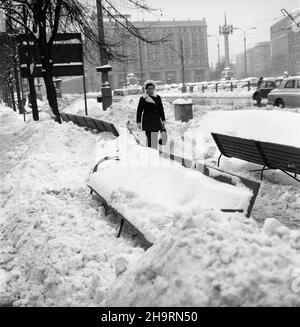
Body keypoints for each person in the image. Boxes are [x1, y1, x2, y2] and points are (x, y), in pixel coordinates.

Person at [136, 80, 166, 149]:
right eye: (149, 88)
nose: (150, 90)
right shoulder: (143, 98)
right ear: (146, 89)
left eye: (152, 88)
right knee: (149, 138)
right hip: (147, 120)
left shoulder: (157, 97)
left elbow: (161, 109)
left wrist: (163, 119)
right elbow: (139, 111)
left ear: (154, 89)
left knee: (154, 137)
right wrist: (138, 122)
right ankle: (151, 152)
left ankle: (153, 152)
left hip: (156, 120)